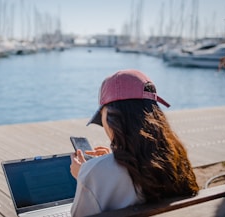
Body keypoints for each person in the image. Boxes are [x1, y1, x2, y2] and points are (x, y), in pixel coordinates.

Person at [70, 69, 199, 217]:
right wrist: (109, 163)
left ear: (112, 118)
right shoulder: (176, 159)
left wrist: (85, 176)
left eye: (102, 116)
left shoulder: (93, 172)